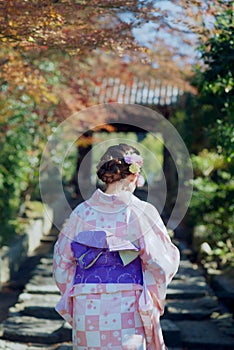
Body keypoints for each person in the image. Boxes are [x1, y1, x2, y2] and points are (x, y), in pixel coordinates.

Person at [53, 143, 180, 350]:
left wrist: (78, 291)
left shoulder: (80, 213)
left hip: (87, 305)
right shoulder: (142, 212)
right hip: (127, 304)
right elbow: (161, 264)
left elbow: (61, 265)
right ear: (132, 175)